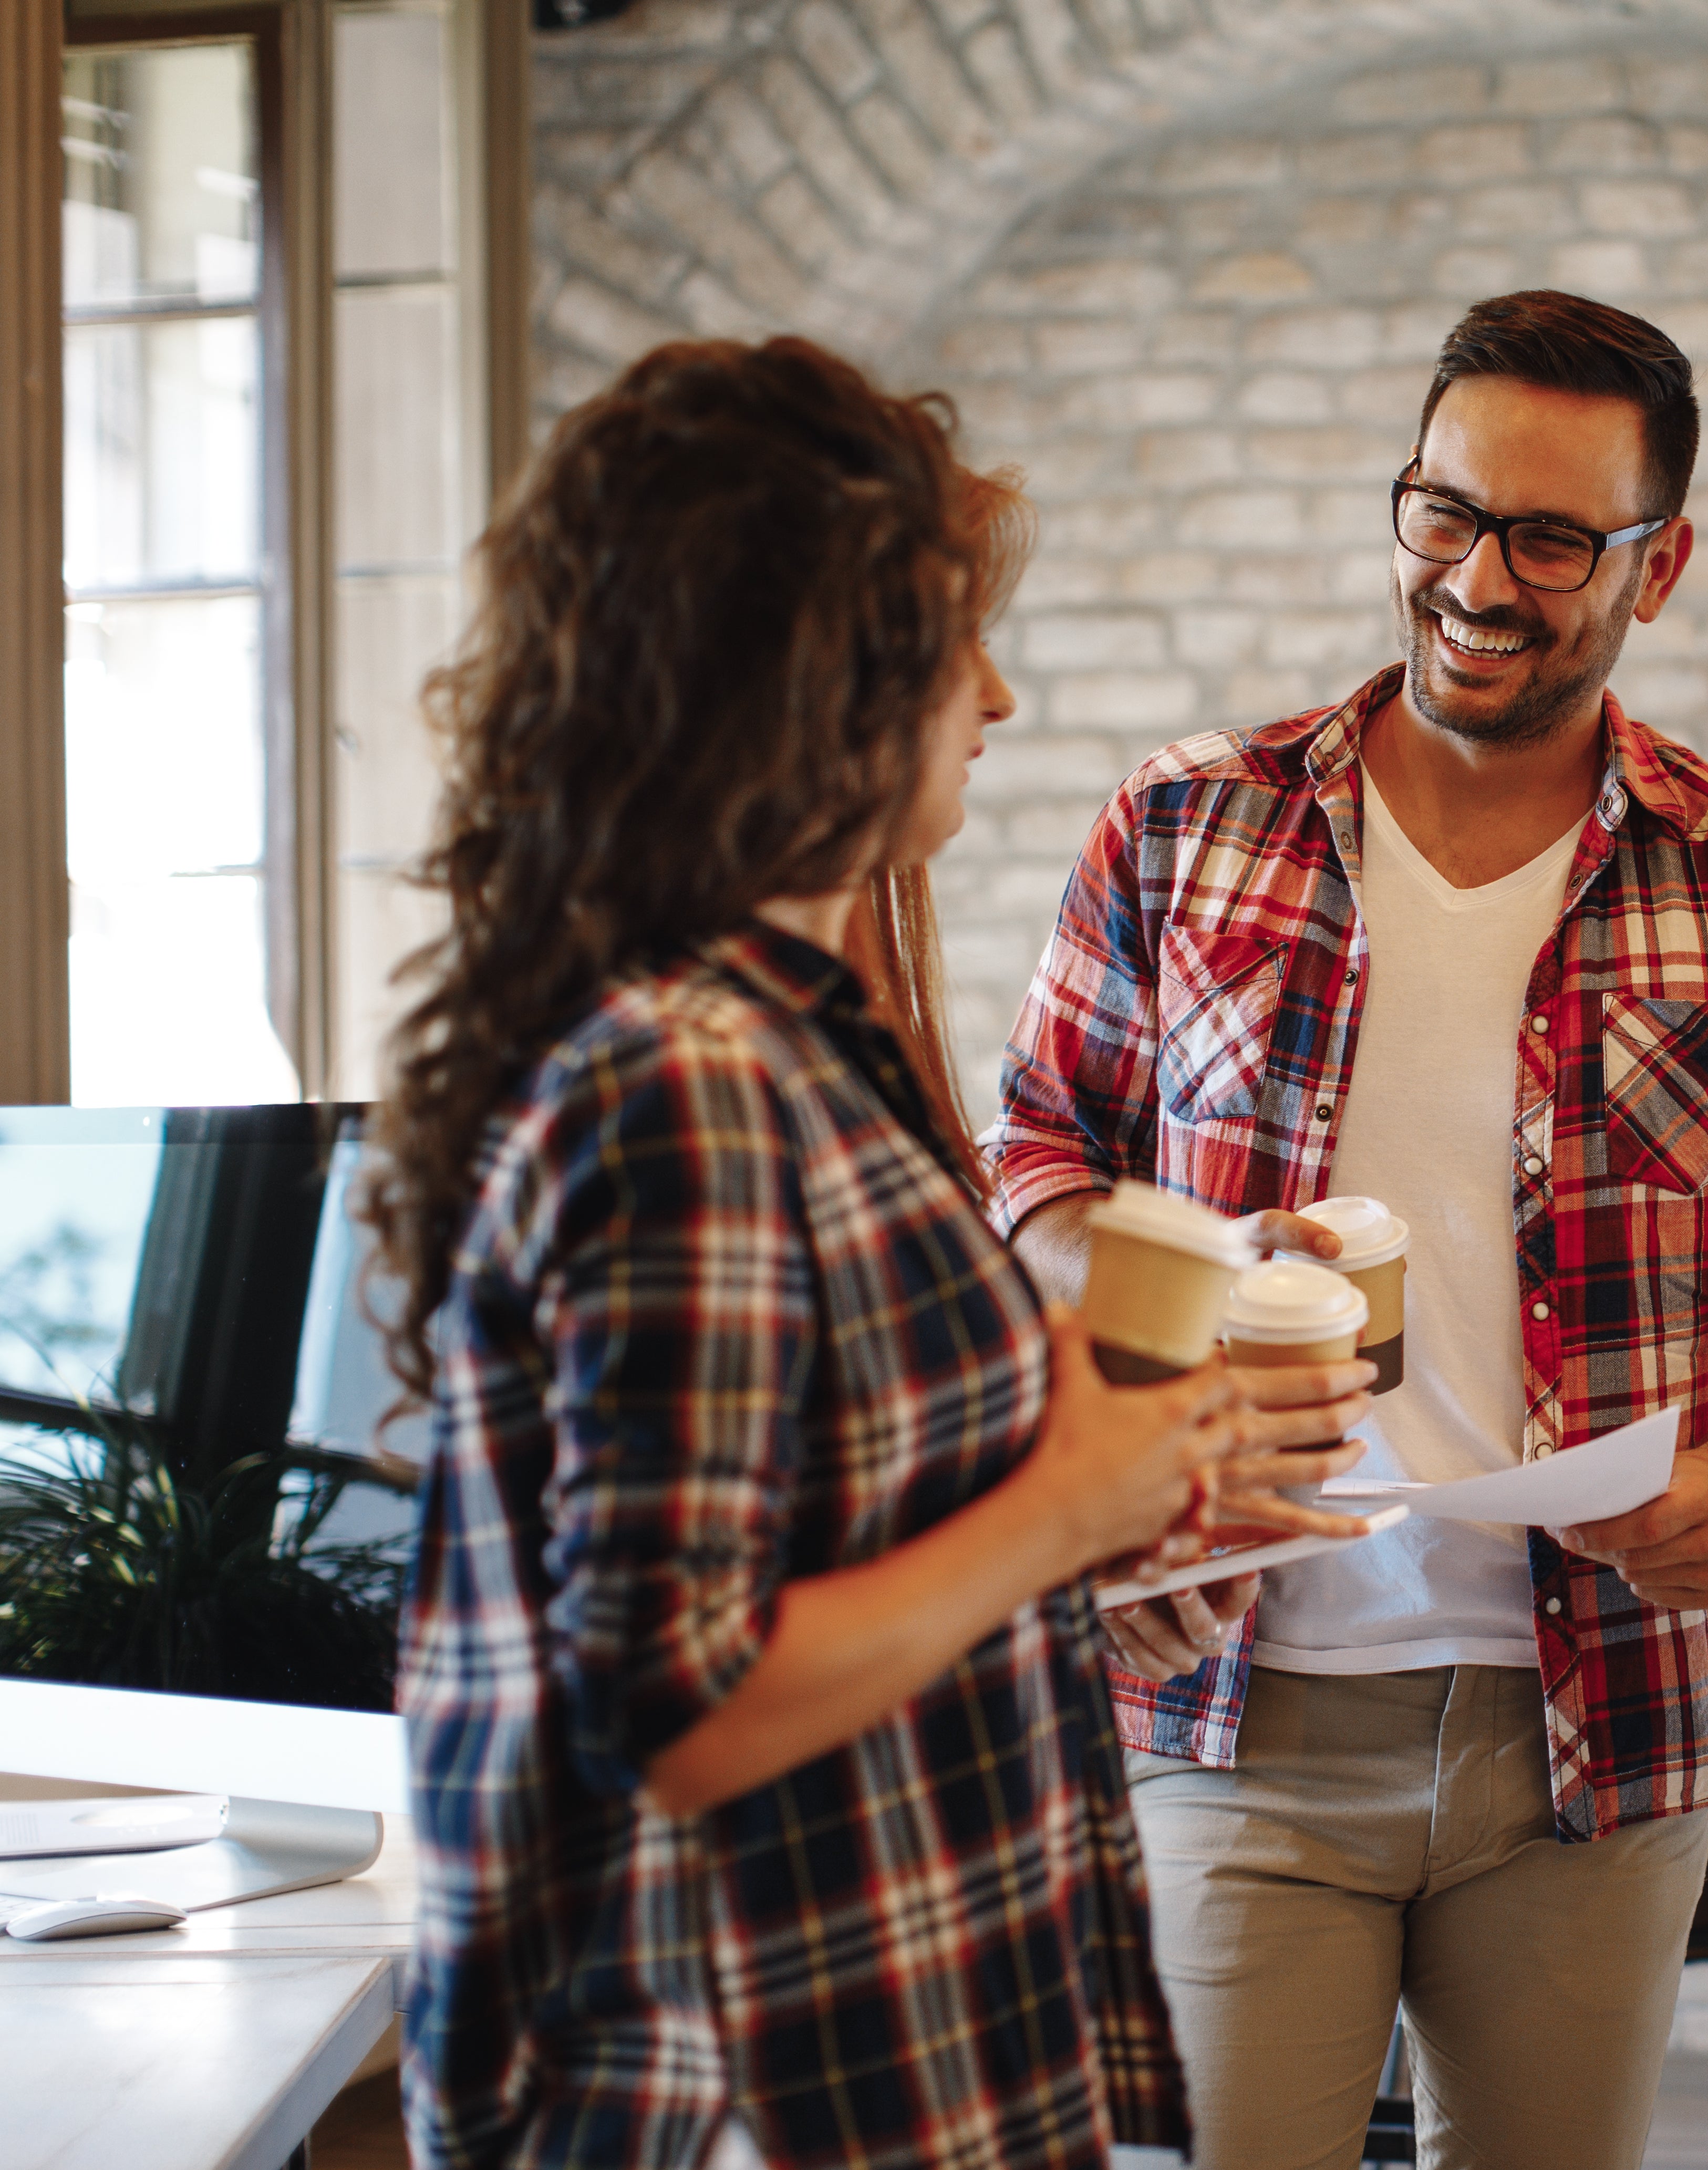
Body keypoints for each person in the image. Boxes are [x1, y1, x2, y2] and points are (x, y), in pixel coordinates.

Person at [366, 337, 1375, 2170]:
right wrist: (1063, 1512)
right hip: (739, 2092)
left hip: (900, 2048)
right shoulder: (681, 1084)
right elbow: (673, 1702)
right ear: (799, 677)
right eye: (942, 642)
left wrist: (1117, 1539)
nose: (992, 694)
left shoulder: (807, 1052)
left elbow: (846, 1536)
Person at [990, 289, 1708, 2169]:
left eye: (1549, 538)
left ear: (1654, 567)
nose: (1478, 579)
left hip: (1591, 1726)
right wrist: (1173, 1284)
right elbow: (1028, 1153)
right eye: (1443, 512)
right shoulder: (1183, 826)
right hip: (1221, 1688)